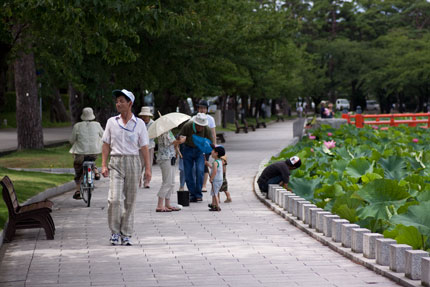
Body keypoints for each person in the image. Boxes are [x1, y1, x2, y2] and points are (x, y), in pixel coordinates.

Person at [101, 89, 152, 246]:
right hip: (116, 162)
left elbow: (144, 147)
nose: (118, 104)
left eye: (122, 101)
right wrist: (103, 164)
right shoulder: (111, 122)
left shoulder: (139, 124)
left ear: (130, 103)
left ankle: (126, 233)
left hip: (133, 162)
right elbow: (106, 144)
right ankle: (115, 232)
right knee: (114, 199)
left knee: (130, 200)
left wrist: (148, 169)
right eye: (117, 101)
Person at [178, 113, 214, 202]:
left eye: (202, 126)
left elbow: (210, 142)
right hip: (187, 150)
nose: (201, 128)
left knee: (200, 170)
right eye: (199, 126)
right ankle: (192, 194)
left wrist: (207, 155)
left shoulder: (206, 129)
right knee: (188, 172)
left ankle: (198, 194)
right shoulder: (188, 126)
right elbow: (180, 137)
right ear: (195, 123)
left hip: (199, 151)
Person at [69, 107, 104, 200]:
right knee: (91, 159)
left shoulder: (77, 126)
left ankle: (77, 191)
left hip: (80, 153)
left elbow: (72, 140)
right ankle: (95, 170)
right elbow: (104, 136)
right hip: (94, 152)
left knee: (78, 170)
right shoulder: (97, 125)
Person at [155, 129, 184, 212]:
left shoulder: (169, 132)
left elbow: (173, 144)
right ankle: (159, 205)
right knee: (167, 182)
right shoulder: (163, 132)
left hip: (171, 158)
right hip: (165, 158)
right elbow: (169, 143)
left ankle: (167, 203)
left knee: (171, 182)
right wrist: (180, 141)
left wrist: (177, 142)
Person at [197, 99, 216, 192]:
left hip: (206, 145)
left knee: (205, 164)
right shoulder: (194, 118)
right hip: (196, 144)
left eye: (204, 108)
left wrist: (214, 146)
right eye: (201, 108)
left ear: (207, 109)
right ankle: (198, 183)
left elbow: (213, 133)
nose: (202, 110)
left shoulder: (210, 119)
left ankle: (204, 185)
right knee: (196, 165)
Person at [138, 106, 155, 188]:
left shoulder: (153, 123)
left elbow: (154, 135)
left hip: (150, 146)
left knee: (149, 164)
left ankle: (147, 181)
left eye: (146, 116)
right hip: (139, 147)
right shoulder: (138, 123)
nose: (144, 117)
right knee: (139, 164)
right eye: (143, 116)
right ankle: (138, 180)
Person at [206, 145, 225, 211]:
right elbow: (214, 168)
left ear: (216, 153)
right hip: (220, 180)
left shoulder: (215, 162)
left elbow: (214, 171)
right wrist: (208, 165)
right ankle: (213, 204)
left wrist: (211, 178)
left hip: (216, 180)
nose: (211, 152)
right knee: (215, 192)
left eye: (213, 151)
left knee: (215, 193)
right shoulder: (220, 161)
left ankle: (217, 206)